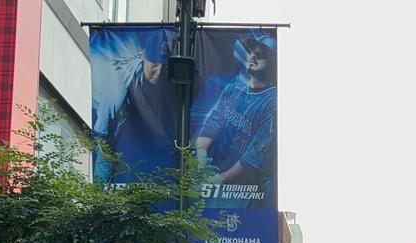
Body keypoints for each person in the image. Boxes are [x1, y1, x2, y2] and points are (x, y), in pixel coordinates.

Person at [92, 28, 178, 182]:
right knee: (106, 157)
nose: (159, 71)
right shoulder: (117, 91)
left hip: (129, 102)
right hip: (99, 103)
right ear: (144, 56)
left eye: (164, 65)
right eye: (154, 63)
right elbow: (102, 136)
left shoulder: (160, 74)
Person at [195, 31, 277, 190]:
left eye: (260, 54)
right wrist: (201, 159)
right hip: (211, 175)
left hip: (243, 189)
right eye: (252, 51)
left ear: (273, 60)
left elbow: (253, 158)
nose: (253, 55)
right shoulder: (234, 89)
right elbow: (212, 122)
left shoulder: (272, 102)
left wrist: (218, 180)